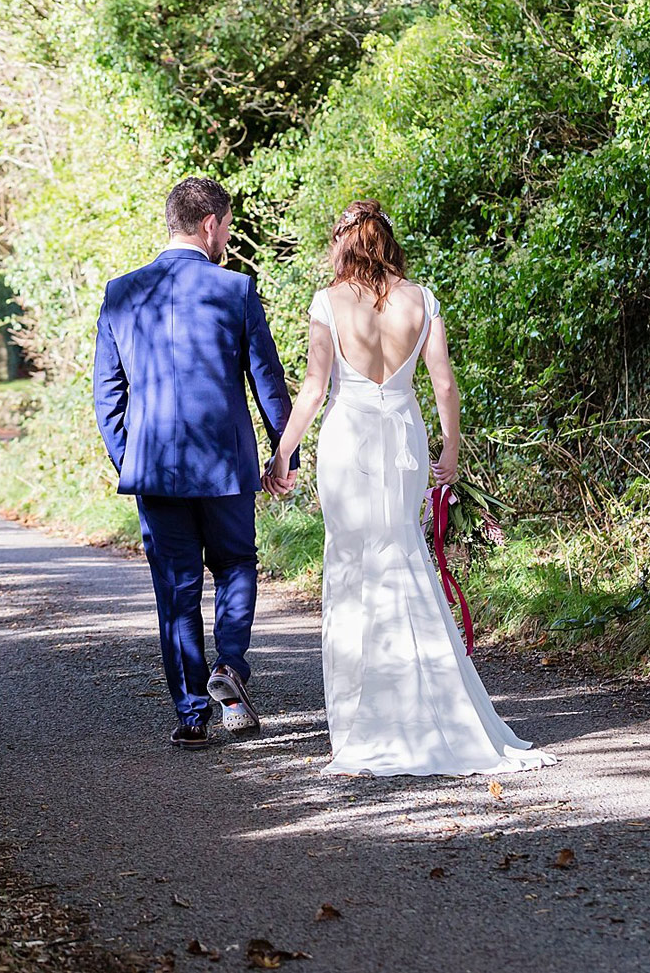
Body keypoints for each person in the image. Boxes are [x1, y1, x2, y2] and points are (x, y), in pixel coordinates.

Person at [266, 199, 556, 777]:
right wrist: (449, 449)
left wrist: (281, 451)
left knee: (351, 564)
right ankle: (432, 709)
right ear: (388, 241)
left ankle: (358, 723)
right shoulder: (421, 299)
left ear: (343, 244)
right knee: (404, 554)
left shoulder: (328, 302)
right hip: (404, 436)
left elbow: (314, 389)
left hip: (348, 440)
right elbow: (443, 383)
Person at [93, 177, 298, 751]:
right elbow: (268, 383)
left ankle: (190, 717)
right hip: (225, 464)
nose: (228, 237)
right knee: (235, 564)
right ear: (210, 223)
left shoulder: (122, 293)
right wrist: (285, 454)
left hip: (155, 468)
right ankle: (229, 668)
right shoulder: (236, 290)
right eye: (227, 226)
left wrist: (129, 456)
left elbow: (108, 394)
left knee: (176, 592)